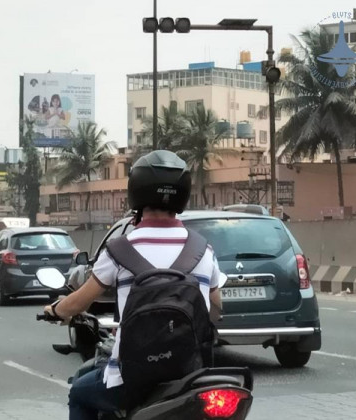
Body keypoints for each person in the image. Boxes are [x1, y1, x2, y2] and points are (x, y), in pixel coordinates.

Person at [43, 150, 223, 419]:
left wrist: (56, 310)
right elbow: (216, 308)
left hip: (130, 379)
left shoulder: (120, 249)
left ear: (136, 192)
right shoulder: (203, 248)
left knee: (79, 393)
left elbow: (80, 301)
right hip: (190, 372)